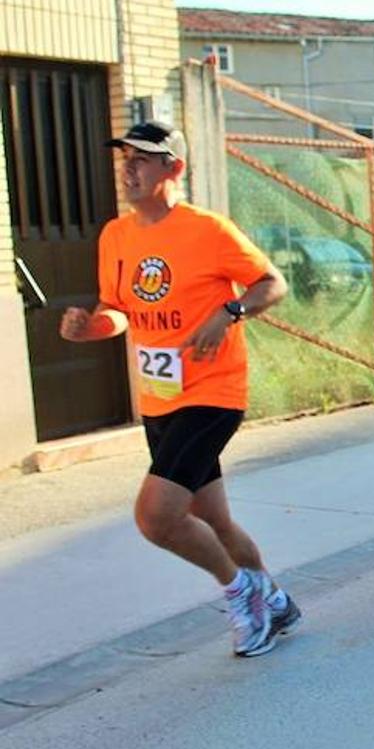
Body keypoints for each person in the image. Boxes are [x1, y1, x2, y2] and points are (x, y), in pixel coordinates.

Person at [59, 121, 298, 657]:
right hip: (159, 397)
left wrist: (229, 312)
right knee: (212, 520)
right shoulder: (115, 236)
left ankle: (244, 597)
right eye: (124, 158)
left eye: (142, 158)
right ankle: (277, 600)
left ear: (174, 168)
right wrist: (91, 327)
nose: (129, 168)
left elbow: (271, 283)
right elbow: (116, 309)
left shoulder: (207, 230)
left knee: (156, 516)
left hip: (213, 391)